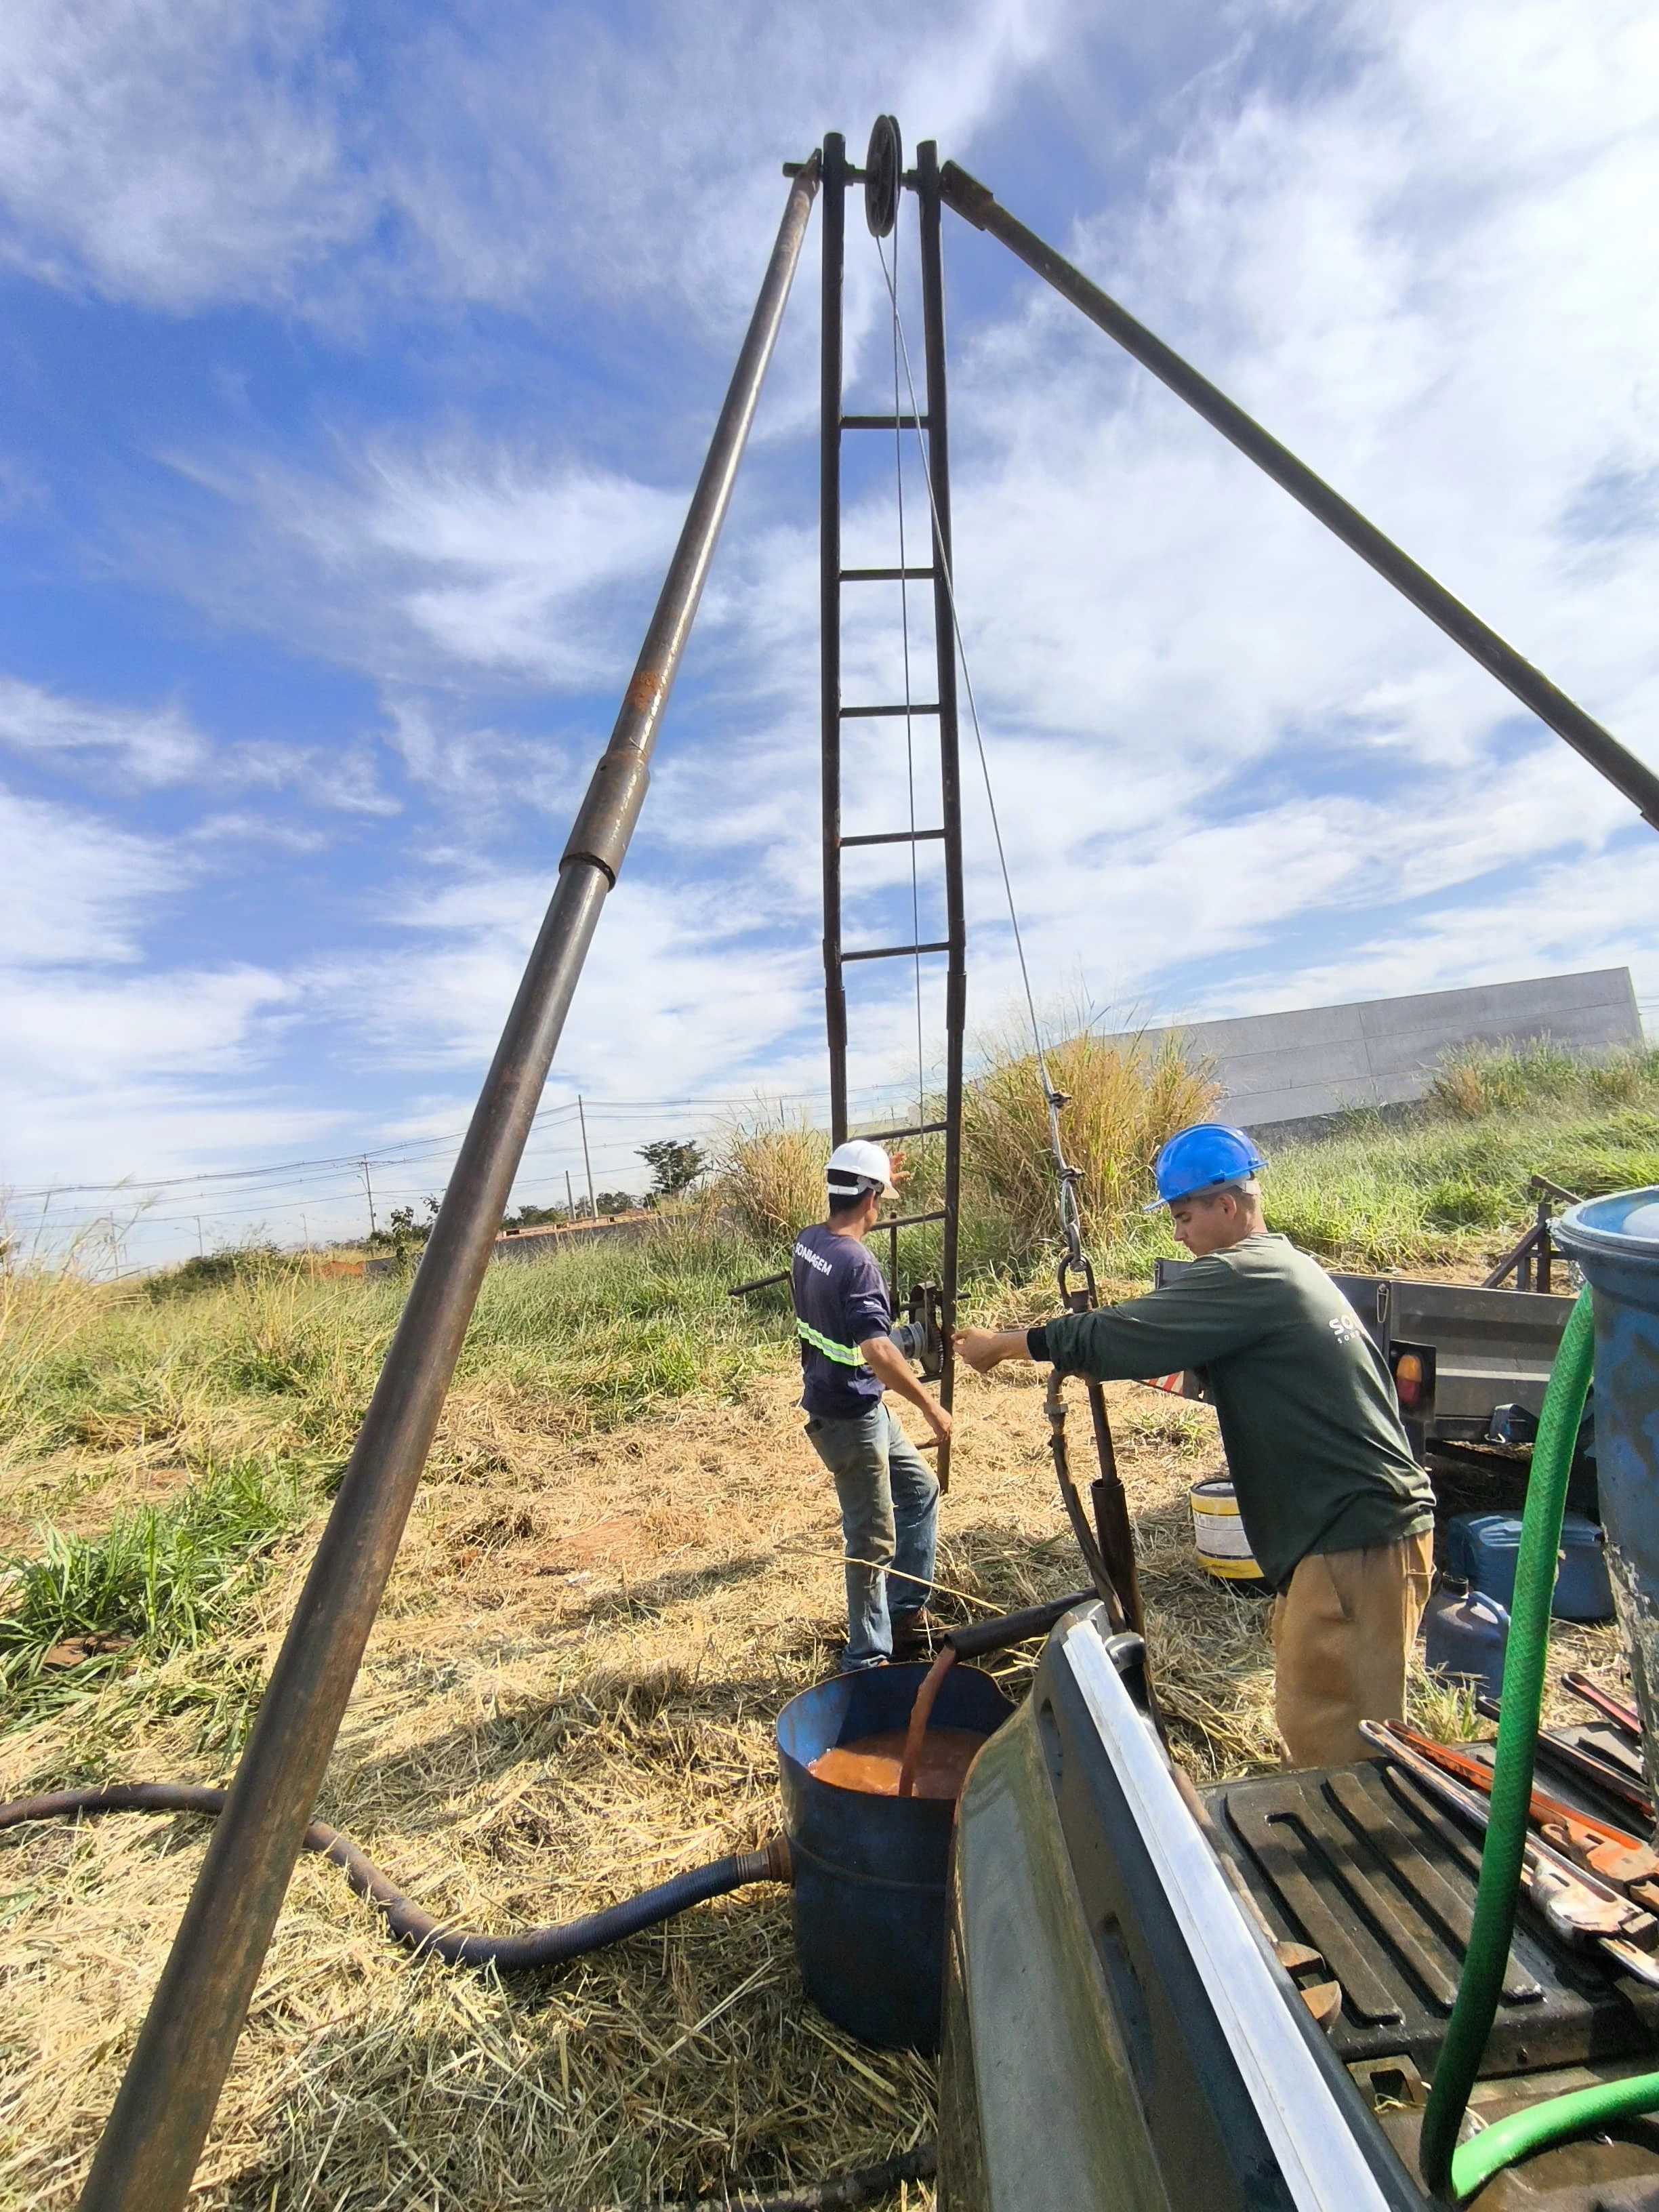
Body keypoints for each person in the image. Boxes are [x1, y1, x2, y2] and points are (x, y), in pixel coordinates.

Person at [954, 1122, 1435, 1767]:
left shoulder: (1248, 1274)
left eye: (1182, 1217)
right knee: (1323, 1720)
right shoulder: (1287, 1268)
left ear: (1227, 1206)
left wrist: (1008, 1345)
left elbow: (1121, 1330)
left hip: (1356, 1544)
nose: (1177, 1234)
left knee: (1342, 1756)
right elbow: (1172, 1351)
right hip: (1356, 1538)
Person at [792, 1140, 952, 1671]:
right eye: (881, 1192)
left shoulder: (809, 1242)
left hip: (852, 1403)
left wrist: (872, 1172)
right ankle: (866, 1659)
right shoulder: (857, 1262)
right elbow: (879, 1350)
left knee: (920, 1489)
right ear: (872, 1199)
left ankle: (903, 1613)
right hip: (850, 1419)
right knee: (871, 1538)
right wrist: (931, 1407)